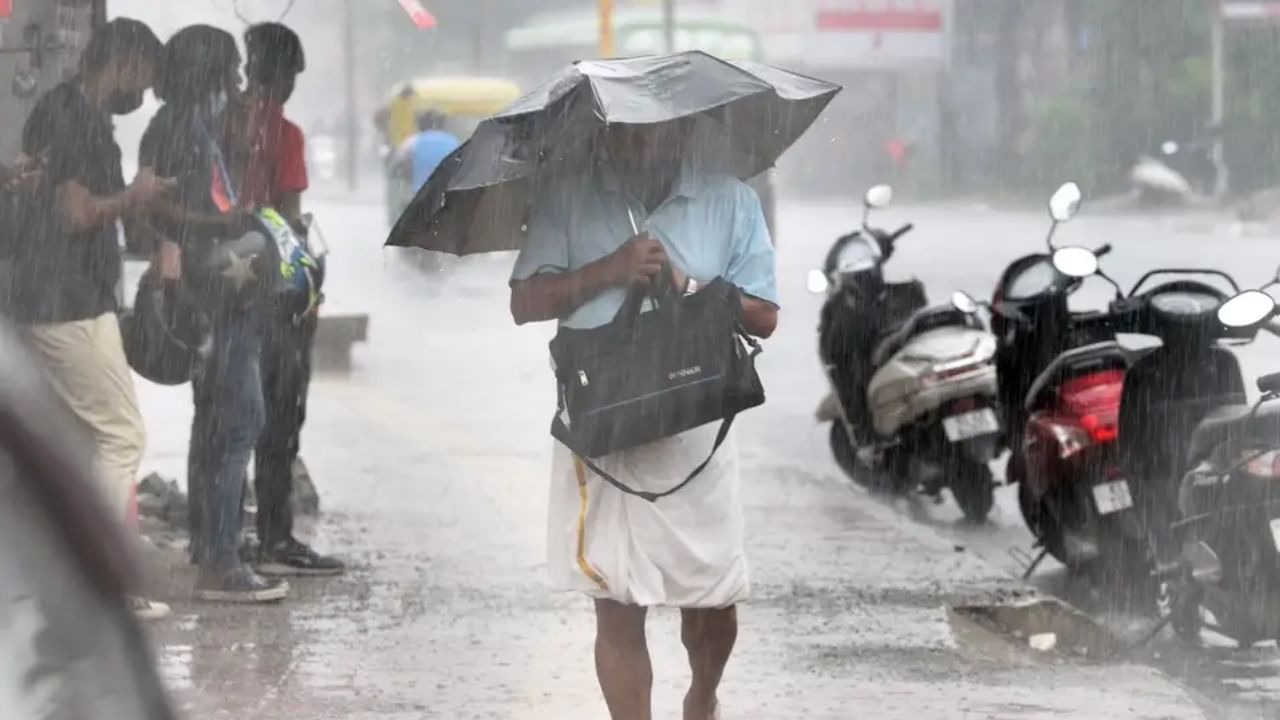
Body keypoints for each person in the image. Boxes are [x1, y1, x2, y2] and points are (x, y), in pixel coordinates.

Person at [508, 121, 779, 720]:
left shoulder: (730, 201)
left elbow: (764, 315)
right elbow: (524, 302)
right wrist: (608, 270)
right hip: (602, 426)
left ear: (684, 132)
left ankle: (703, 695)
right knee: (615, 597)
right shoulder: (570, 196)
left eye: (655, 133)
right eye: (625, 133)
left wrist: (691, 286)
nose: (640, 145)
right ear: (604, 134)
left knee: (713, 599)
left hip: (695, 425)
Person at [10, 17, 171, 621]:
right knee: (119, 435)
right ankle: (101, 586)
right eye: (145, 78)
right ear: (124, 61)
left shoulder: (65, 111)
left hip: (45, 297)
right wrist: (136, 195)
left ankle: (57, 577)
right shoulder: (74, 118)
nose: (145, 94)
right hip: (68, 303)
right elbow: (75, 213)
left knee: (78, 442)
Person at [137, 24, 286, 603]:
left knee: (219, 421)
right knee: (238, 419)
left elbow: (204, 194)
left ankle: (212, 544)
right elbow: (157, 205)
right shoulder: (175, 126)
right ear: (207, 71)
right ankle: (221, 562)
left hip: (227, 293)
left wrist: (244, 140)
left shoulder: (195, 124)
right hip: (216, 292)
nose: (240, 79)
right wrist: (217, 228)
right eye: (231, 67)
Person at [226, 21, 343, 576]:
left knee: (228, 416)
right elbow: (290, 223)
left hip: (223, 286)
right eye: (294, 72)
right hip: (273, 295)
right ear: (284, 72)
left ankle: (223, 538)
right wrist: (308, 294)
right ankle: (276, 537)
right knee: (280, 417)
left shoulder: (223, 121)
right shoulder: (284, 133)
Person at [403, 110, 460, 192]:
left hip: (420, 190)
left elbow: (403, 163)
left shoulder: (413, 141)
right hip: (446, 191)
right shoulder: (453, 141)